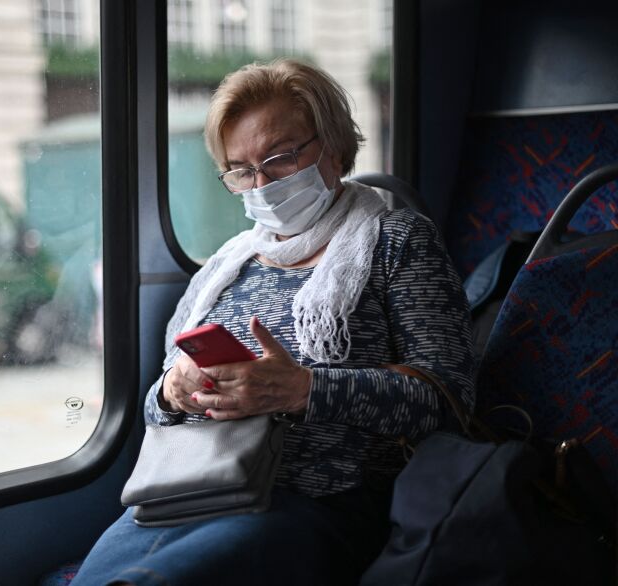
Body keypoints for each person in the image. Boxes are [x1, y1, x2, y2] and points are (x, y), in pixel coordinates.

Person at [72, 58, 474, 585]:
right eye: (241, 170)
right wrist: (174, 391)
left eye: (280, 158)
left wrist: (303, 390)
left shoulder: (397, 242)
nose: (260, 184)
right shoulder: (227, 265)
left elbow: (450, 403)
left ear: (331, 149)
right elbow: (156, 406)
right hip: (192, 488)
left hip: (321, 504)